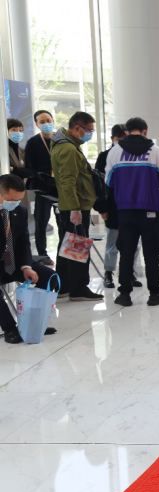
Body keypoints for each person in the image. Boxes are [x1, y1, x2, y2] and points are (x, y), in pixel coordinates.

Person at [104, 116, 159, 307]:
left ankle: (124, 294)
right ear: (145, 131)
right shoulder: (155, 151)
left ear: (126, 132)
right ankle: (154, 294)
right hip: (150, 209)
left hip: (125, 210)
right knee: (152, 253)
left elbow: (109, 181)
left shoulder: (115, 151)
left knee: (126, 252)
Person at [51, 111, 104, 302]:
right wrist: (75, 209)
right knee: (77, 247)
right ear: (77, 128)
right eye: (89, 130)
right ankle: (78, 289)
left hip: (71, 205)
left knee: (67, 246)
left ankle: (64, 286)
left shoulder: (64, 145)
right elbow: (68, 181)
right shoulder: (68, 149)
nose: (90, 134)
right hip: (76, 205)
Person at [0, 175, 57, 343]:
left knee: (49, 277)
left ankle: (32, 324)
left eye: (18, 200)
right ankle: (10, 329)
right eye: (11, 200)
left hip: (12, 262)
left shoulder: (20, 211)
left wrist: (26, 266)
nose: (15, 203)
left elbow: (24, 242)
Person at [95, 124, 142, 290]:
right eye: (120, 137)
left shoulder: (134, 155)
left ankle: (130, 272)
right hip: (113, 206)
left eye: (125, 137)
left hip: (132, 206)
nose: (122, 140)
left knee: (134, 242)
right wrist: (102, 207)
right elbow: (99, 184)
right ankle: (108, 272)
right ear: (113, 138)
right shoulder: (104, 156)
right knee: (112, 242)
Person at [25, 110, 58, 264]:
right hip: (43, 188)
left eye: (48, 120)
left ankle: (64, 254)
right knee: (41, 222)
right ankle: (42, 255)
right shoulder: (33, 143)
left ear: (53, 121)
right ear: (37, 125)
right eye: (42, 122)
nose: (46, 124)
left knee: (64, 221)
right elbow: (30, 167)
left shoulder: (61, 140)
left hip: (62, 187)